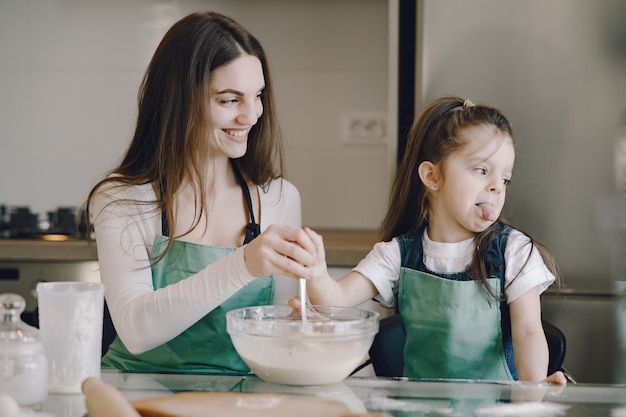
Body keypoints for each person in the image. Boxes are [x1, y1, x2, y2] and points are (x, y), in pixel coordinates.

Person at [85, 11, 316, 373]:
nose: (251, 115)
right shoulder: (123, 199)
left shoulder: (279, 198)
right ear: (179, 99)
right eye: (228, 100)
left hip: (243, 395)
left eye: (257, 96)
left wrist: (305, 320)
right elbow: (135, 329)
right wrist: (242, 264)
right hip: (136, 393)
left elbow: (282, 325)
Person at [297, 96, 567, 385]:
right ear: (432, 176)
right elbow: (335, 299)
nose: (496, 187)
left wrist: (533, 392)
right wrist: (315, 271)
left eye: (505, 179)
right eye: (482, 170)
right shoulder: (397, 254)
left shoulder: (513, 251)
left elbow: (528, 332)